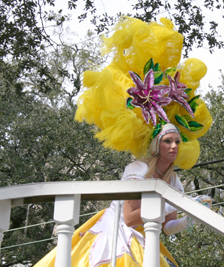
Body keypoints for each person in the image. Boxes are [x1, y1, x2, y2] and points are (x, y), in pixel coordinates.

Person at [34, 16, 213, 267]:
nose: (174, 146)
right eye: (168, 141)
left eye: (177, 142)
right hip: (116, 239)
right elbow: (130, 218)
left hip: (144, 240)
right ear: (155, 146)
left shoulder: (173, 180)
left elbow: (167, 227)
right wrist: (166, 201)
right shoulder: (137, 170)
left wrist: (191, 217)